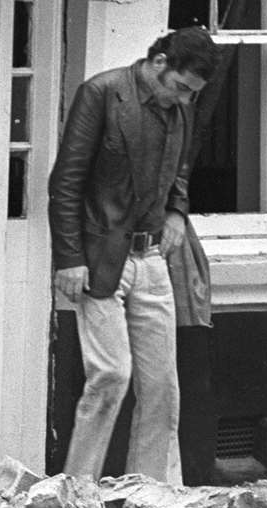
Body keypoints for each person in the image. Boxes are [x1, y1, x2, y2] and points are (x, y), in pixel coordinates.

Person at [48, 25, 219, 484]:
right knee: (110, 378)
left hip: (152, 260)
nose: (184, 100)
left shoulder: (179, 107)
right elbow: (66, 181)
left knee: (162, 389)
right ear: (159, 63)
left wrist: (178, 212)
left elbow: (179, 166)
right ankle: (75, 498)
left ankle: (151, 499)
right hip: (101, 257)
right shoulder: (102, 93)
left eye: (193, 94)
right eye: (182, 88)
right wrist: (68, 257)